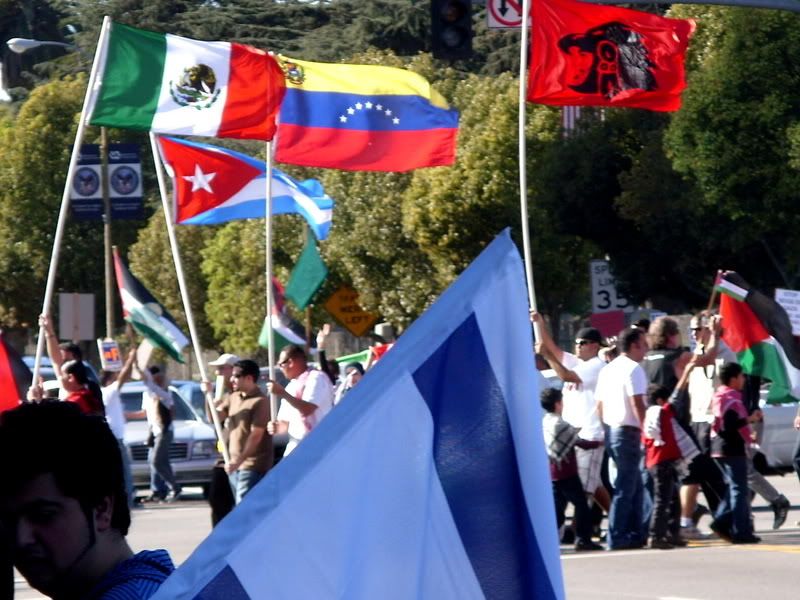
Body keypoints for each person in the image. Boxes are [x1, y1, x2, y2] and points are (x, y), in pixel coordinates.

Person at [0, 402, 174, 599]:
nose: (21, 539)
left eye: (43, 516)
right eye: (6, 520)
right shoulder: (158, 586)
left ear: (102, 509)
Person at [532, 313, 610, 517]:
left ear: (594, 345)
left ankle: (582, 530)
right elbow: (555, 351)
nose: (578, 346)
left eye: (582, 343)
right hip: (574, 434)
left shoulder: (596, 366)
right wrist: (540, 324)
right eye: (576, 342)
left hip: (590, 434)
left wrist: (546, 356)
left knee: (584, 486)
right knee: (593, 484)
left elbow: (566, 374)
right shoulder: (579, 363)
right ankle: (617, 521)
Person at [596, 326, 649, 550]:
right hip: (628, 432)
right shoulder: (633, 369)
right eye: (644, 343)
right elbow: (637, 402)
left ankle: (636, 533)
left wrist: (606, 430)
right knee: (626, 487)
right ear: (634, 345)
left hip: (613, 430)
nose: (647, 348)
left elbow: (599, 405)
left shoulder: (608, 369)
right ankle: (617, 536)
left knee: (634, 485)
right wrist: (648, 432)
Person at [541, 388, 604, 552]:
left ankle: (547, 539)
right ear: (558, 403)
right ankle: (583, 539)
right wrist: (598, 443)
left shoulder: (544, 422)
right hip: (567, 472)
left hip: (552, 472)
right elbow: (579, 442)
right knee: (581, 505)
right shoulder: (561, 424)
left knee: (557, 509)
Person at [643, 382, 699, 549]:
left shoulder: (649, 416)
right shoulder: (661, 412)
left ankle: (672, 533)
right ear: (660, 400)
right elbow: (676, 399)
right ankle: (656, 536)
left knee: (672, 498)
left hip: (658, 461)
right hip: (663, 461)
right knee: (662, 500)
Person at [709, 362, 761, 544]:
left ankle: (722, 521)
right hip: (731, 447)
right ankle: (741, 531)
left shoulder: (719, 396)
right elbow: (729, 425)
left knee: (734, 488)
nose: (744, 380)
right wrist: (750, 419)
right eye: (741, 376)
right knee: (740, 490)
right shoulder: (731, 399)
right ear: (733, 379)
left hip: (718, 447)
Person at [215, 359, 272, 504]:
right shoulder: (233, 397)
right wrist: (208, 396)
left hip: (252, 464)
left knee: (243, 506)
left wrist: (239, 461)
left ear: (249, 378)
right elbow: (216, 418)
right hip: (233, 464)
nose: (232, 379)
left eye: (236, 376)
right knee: (240, 505)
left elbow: (256, 435)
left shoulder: (260, 401)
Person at [267, 345, 334, 457]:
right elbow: (284, 425)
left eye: (281, 364)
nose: (280, 368)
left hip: (319, 447)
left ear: (291, 362)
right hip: (296, 447)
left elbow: (307, 409)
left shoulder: (317, 378)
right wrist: (275, 427)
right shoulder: (290, 387)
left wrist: (282, 393)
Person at [128, 365, 181, 503]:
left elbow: (151, 385)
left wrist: (138, 367)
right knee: (156, 461)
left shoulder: (164, 393)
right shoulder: (148, 394)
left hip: (165, 431)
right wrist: (125, 415)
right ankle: (157, 490)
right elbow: (145, 412)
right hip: (154, 431)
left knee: (157, 461)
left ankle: (174, 487)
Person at [100, 348, 138, 508]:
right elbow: (123, 378)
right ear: (109, 379)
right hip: (115, 438)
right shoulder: (109, 391)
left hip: (110, 437)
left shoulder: (104, 393)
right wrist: (130, 360)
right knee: (124, 474)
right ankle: (126, 503)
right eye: (114, 376)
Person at [207, 353, 239, 525]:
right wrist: (209, 396)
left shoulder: (240, 393)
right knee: (217, 499)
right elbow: (214, 417)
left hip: (238, 456)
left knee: (232, 500)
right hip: (223, 453)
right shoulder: (225, 394)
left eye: (221, 368)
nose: (217, 373)